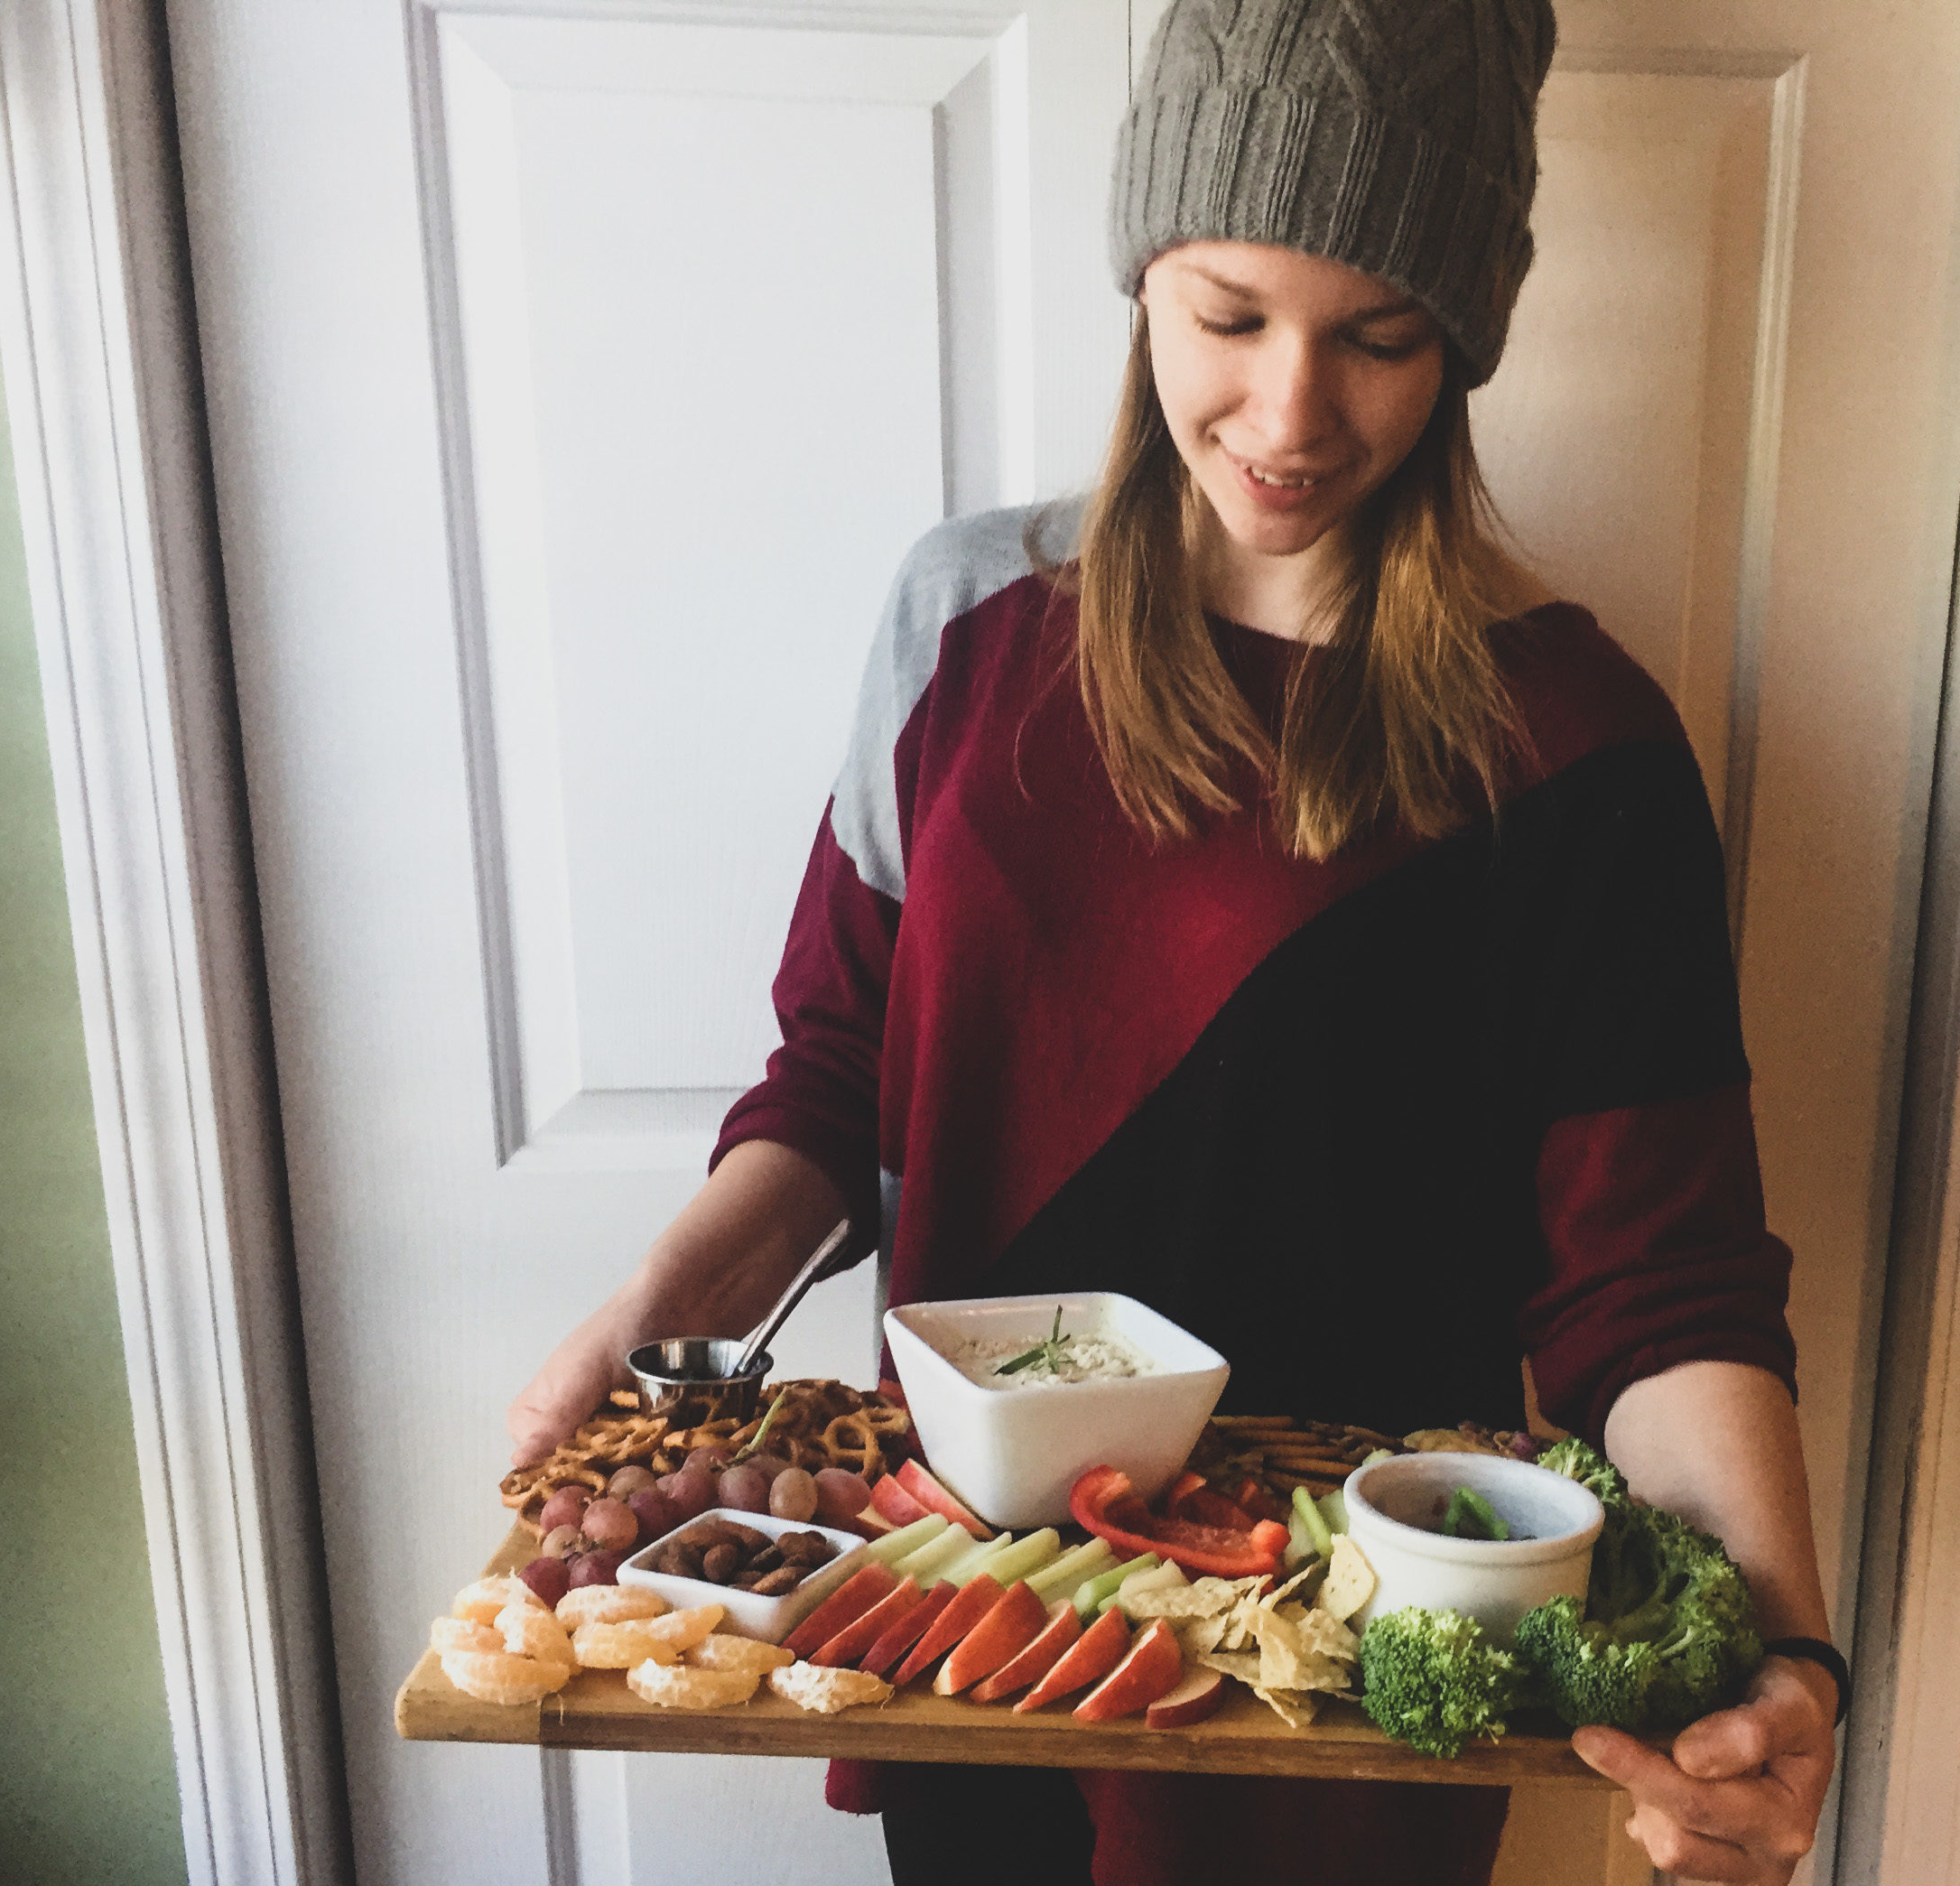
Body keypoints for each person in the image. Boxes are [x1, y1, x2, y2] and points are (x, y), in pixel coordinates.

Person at [508, 0, 1844, 1880]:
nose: (1290, 414)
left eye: (1377, 336)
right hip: (968, 1626)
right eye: (1227, 314)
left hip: (1346, 1685)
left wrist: (1777, 1662)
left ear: (1459, 338)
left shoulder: (1576, 747)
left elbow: (1662, 1282)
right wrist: (658, 1335)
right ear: (1141, 283)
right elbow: (834, 1072)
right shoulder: (961, 620)